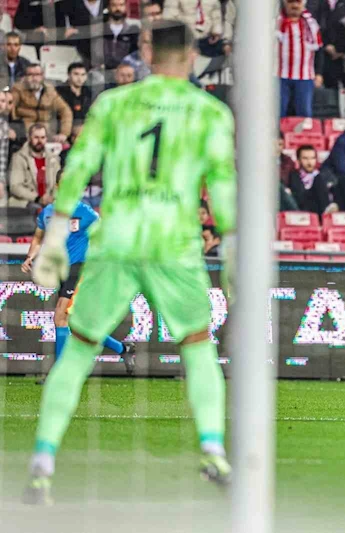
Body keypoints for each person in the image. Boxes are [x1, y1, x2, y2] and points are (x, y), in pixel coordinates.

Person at [22, 20, 236, 505]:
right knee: (198, 345)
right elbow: (222, 188)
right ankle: (212, 448)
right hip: (175, 244)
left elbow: (75, 169)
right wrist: (234, 242)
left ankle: (42, 459)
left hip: (115, 239)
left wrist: (55, 236)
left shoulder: (113, 104)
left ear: (145, 50)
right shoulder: (209, 112)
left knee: (77, 348)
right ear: (193, 56)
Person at [22, 194, 134, 376]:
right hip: (61, 269)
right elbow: (37, 238)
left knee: (60, 315)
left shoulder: (85, 211)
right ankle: (122, 348)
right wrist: (30, 256)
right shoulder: (48, 212)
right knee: (75, 325)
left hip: (80, 268)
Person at [277, 0, 323, 118]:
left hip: (305, 76)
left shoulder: (311, 24)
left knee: (304, 112)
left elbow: (318, 50)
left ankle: (304, 136)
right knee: (278, 111)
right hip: (279, 75)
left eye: (298, 2)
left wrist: (318, 73)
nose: (295, 6)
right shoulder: (276, 23)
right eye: (291, 2)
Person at [12, 64, 73, 143]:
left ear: (43, 76)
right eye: (30, 75)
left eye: (37, 75)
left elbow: (65, 111)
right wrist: (15, 129)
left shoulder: (50, 90)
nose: (34, 78)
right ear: (25, 77)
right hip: (25, 133)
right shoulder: (17, 89)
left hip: (47, 133)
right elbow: (10, 109)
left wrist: (64, 133)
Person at [9, 124, 61, 209]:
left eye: (43, 137)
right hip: (26, 202)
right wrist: (38, 198)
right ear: (29, 138)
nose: (40, 141)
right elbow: (15, 187)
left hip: (49, 201)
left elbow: (58, 183)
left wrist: (53, 198)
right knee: (38, 210)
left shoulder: (53, 159)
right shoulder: (18, 157)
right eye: (36, 137)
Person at [288, 145, 339, 215]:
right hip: (307, 207)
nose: (309, 162)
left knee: (344, 180)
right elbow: (299, 196)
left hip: (328, 202)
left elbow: (334, 184)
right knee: (318, 179)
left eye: (312, 158)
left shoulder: (324, 173)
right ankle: (326, 211)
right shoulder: (294, 176)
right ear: (298, 160)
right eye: (305, 158)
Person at [95, 0, 140, 71]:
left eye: (121, 5)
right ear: (108, 7)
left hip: (126, 73)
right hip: (103, 72)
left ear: (126, 7)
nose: (117, 8)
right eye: (114, 5)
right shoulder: (99, 29)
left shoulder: (133, 29)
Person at [56, 63, 93, 142]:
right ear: (69, 75)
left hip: (85, 130)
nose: (80, 78)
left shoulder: (88, 92)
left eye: (83, 75)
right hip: (64, 130)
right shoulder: (59, 92)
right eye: (76, 74)